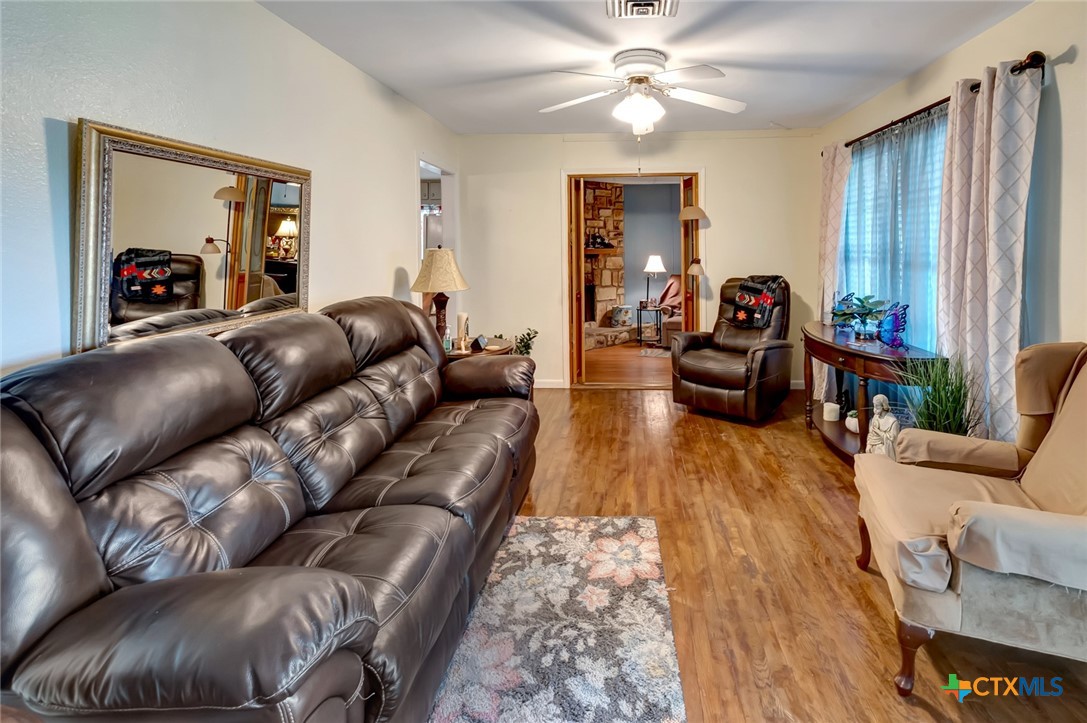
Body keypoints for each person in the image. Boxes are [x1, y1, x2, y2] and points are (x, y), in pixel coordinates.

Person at [865, 393, 900, 460]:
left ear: (883, 406)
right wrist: (869, 444)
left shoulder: (893, 422)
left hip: (886, 450)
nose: (874, 409)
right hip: (874, 447)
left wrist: (880, 433)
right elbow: (871, 434)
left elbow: (893, 441)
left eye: (877, 407)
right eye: (874, 406)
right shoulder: (876, 417)